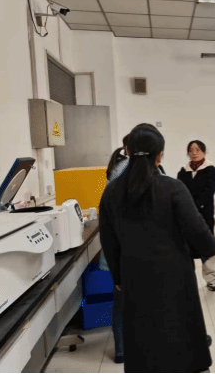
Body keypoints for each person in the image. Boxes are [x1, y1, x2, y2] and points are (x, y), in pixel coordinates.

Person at [99, 124, 215, 373]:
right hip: (176, 279)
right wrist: (210, 246)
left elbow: (108, 241)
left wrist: (119, 278)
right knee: (182, 341)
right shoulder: (172, 187)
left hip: (134, 279)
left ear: (128, 152)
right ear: (159, 156)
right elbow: (199, 232)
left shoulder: (111, 192)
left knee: (143, 344)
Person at [99, 134, 130, 364]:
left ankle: (121, 349)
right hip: (127, 250)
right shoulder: (127, 170)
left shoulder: (117, 168)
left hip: (117, 250)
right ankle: (126, 348)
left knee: (119, 301)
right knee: (125, 302)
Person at [177, 140, 215, 292]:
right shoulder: (183, 171)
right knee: (187, 248)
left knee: (207, 246)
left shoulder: (210, 169)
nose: (194, 152)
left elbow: (209, 191)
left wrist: (194, 207)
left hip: (205, 215)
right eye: (191, 150)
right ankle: (188, 281)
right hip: (186, 216)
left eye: (198, 149)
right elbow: (179, 191)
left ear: (204, 151)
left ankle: (211, 280)